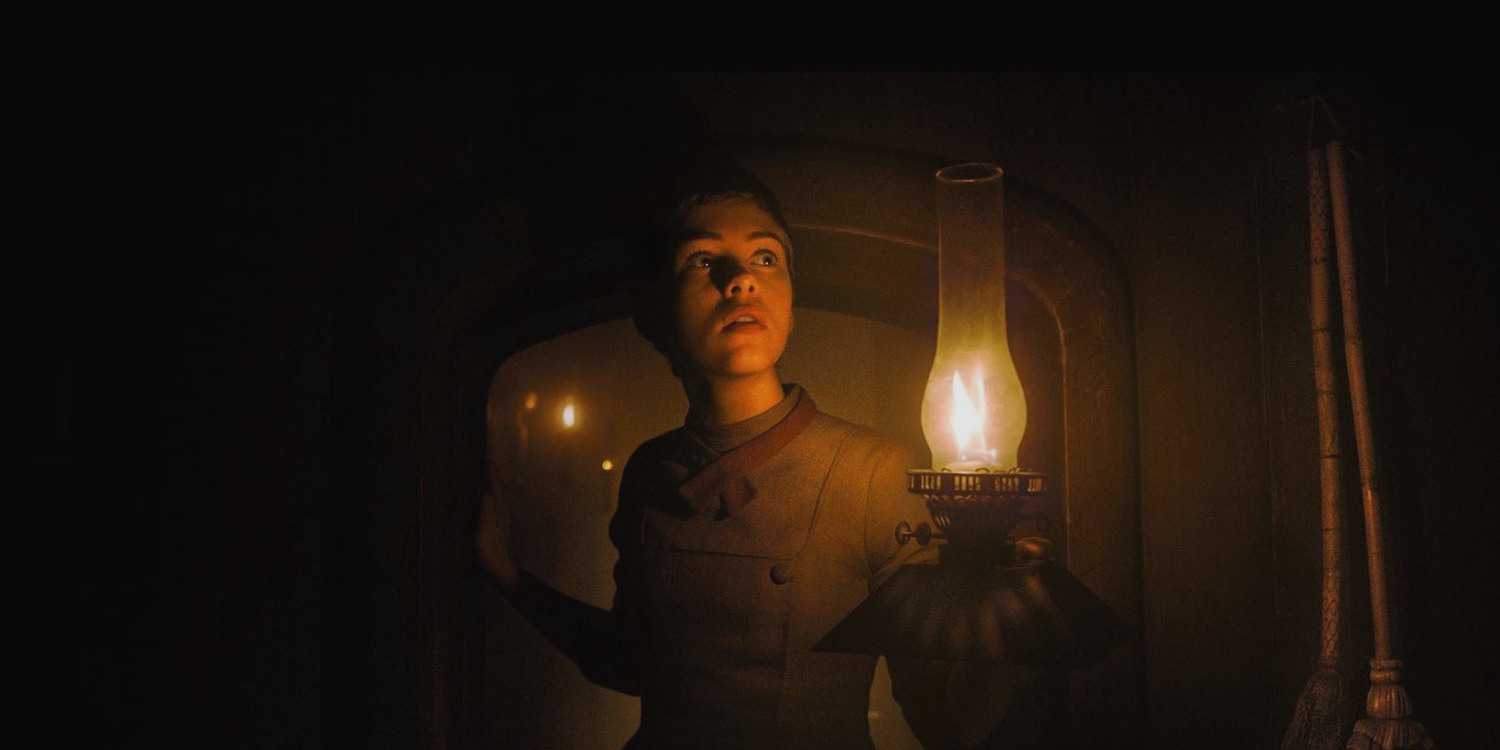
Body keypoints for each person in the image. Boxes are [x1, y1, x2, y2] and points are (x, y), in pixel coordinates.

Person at [477, 163, 955, 749]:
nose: (741, 280)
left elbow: (939, 705)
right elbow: (631, 662)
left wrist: (993, 593)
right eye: (703, 260)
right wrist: (508, 576)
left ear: (791, 298)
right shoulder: (650, 472)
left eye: (765, 258)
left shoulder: (872, 474)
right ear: (654, 310)